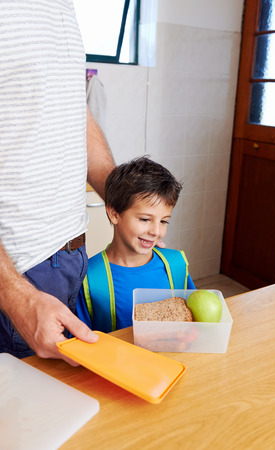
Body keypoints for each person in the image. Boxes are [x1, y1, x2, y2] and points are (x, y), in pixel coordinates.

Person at [0, 1, 115, 363]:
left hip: (68, 258)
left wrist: (122, 197)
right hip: (17, 270)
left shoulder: (61, 7)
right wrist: (16, 295)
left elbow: (69, 106)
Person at [76, 157, 195, 332]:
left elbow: (194, 323)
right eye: (145, 219)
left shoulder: (176, 264)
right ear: (114, 213)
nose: (155, 231)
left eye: (164, 221)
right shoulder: (90, 278)